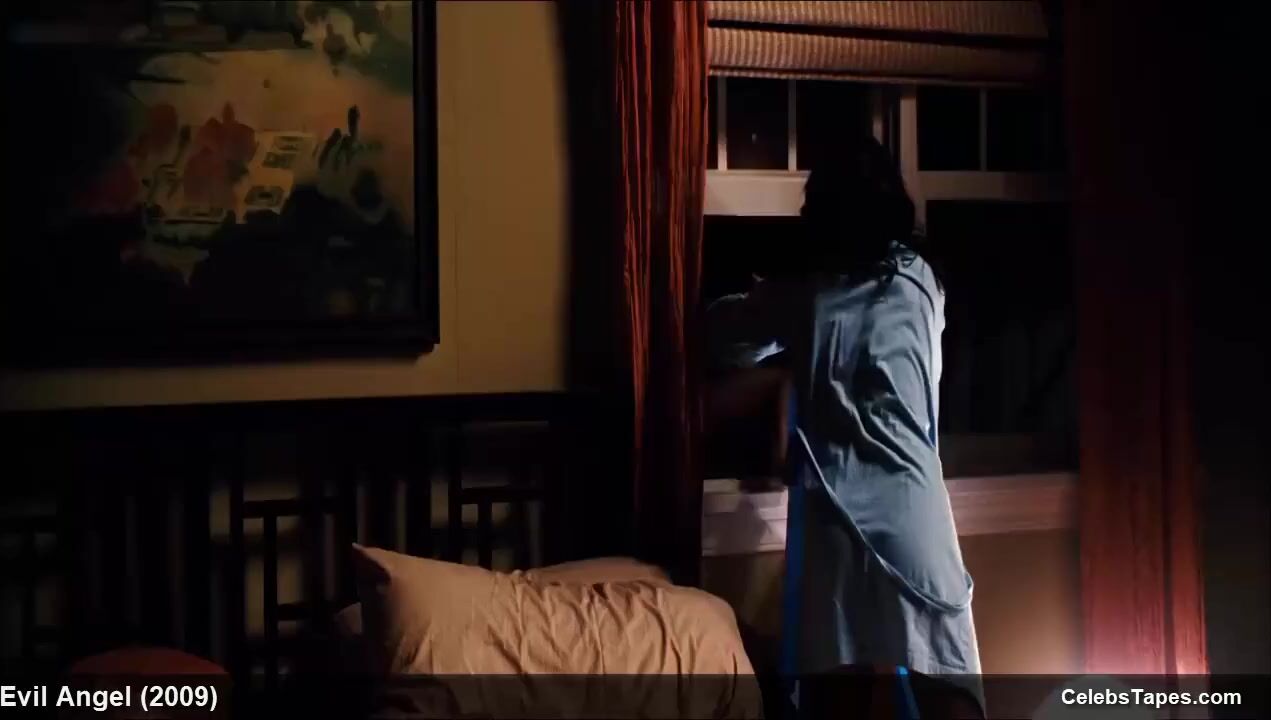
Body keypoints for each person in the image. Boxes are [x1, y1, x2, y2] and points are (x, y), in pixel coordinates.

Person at [707, 136, 983, 719]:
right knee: (947, 689)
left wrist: (776, 333)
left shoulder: (804, 295)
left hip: (835, 519)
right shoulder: (920, 283)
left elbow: (724, 335)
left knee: (839, 695)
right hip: (912, 512)